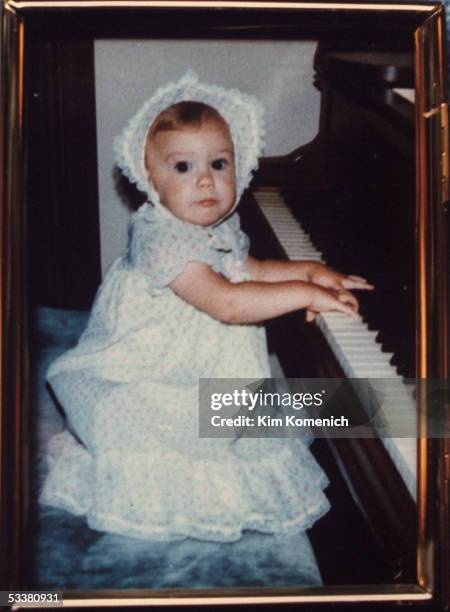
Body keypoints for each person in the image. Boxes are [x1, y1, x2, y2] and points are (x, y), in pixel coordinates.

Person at [40, 70, 373, 543]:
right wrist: (306, 295)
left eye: (219, 163)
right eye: (182, 167)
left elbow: (248, 268)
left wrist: (308, 271)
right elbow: (228, 302)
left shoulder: (221, 224)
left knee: (259, 414)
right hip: (150, 370)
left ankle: (422, 413)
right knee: (150, 429)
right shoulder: (158, 235)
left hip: (204, 369)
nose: (205, 181)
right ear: (148, 176)